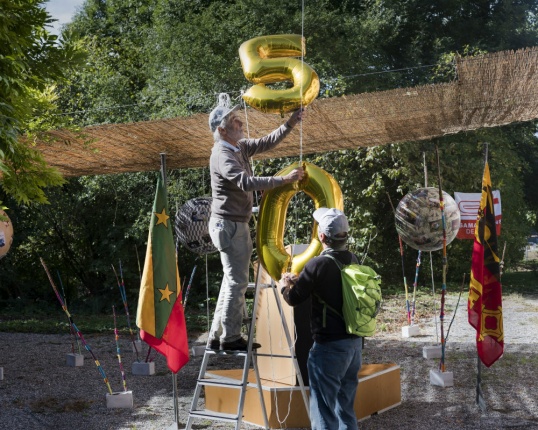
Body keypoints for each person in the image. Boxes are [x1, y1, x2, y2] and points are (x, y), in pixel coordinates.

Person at [207, 94, 305, 352]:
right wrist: (282, 180)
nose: (240, 122)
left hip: (233, 224)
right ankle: (230, 339)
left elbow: (266, 142)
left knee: (232, 281)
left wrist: (291, 123)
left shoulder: (237, 147)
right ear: (222, 129)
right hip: (229, 226)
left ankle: (217, 335)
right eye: (234, 120)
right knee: (237, 282)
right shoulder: (222, 154)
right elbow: (245, 182)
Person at [280, 208, 362, 430]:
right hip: (354, 345)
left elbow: (294, 299)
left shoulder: (317, 264)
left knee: (324, 411)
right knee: (345, 408)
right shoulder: (353, 259)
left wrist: (285, 286)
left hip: (329, 348)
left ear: (322, 237)